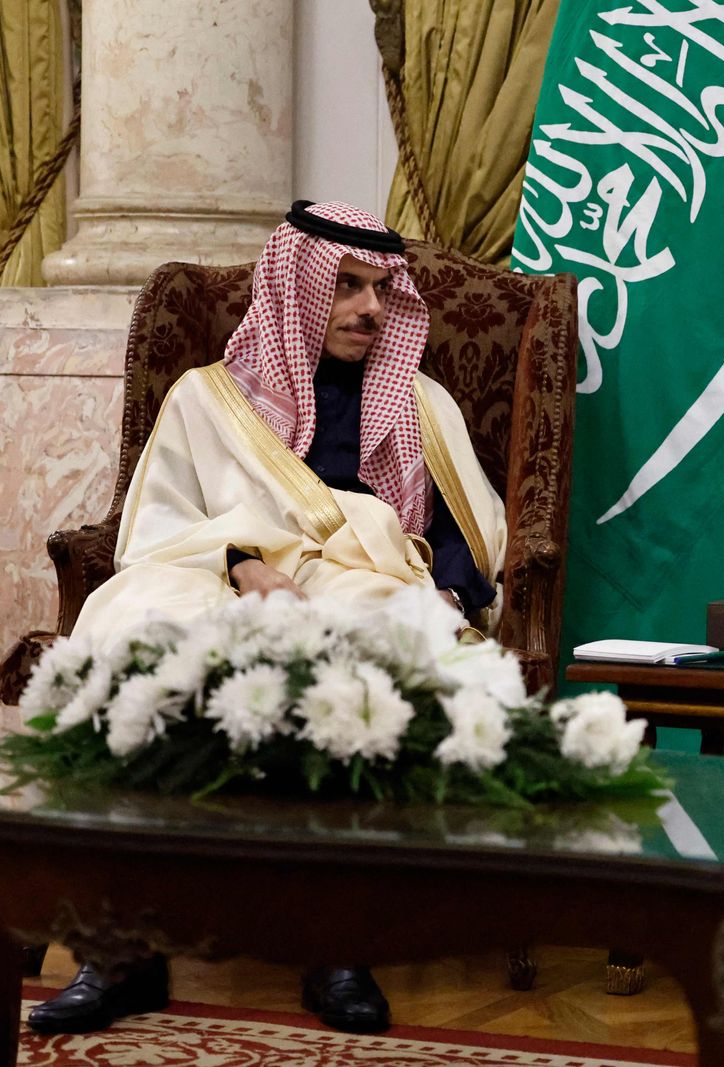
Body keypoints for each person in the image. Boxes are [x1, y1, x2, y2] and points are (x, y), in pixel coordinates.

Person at [26, 201, 507, 1037]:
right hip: (221, 570)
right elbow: (161, 525)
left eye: (380, 290)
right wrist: (251, 569)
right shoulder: (208, 399)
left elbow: (467, 532)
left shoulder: (420, 405)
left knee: (367, 651)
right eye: (346, 287)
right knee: (130, 627)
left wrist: (452, 596)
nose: (368, 309)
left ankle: (336, 944)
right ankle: (124, 950)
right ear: (296, 289)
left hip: (365, 575)